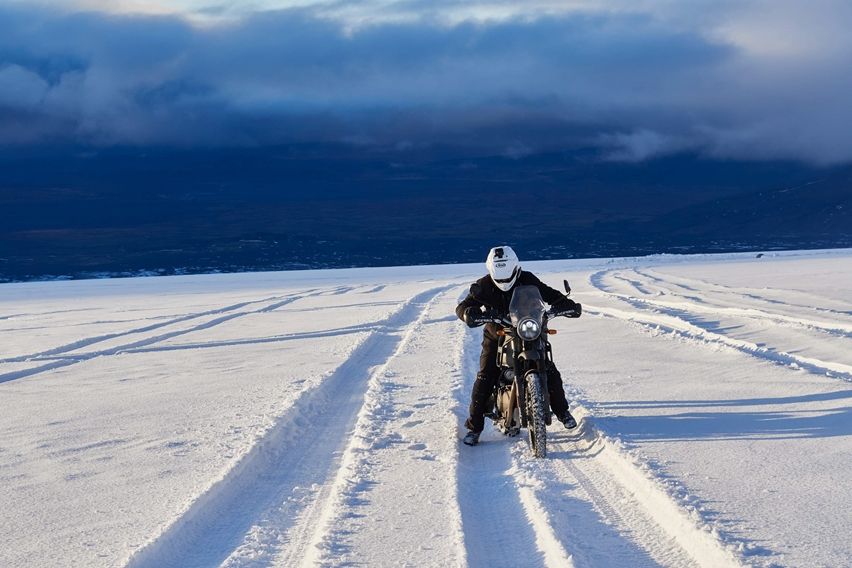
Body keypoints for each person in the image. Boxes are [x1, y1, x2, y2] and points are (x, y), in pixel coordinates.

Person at [455, 246, 580, 446]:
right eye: (500, 278)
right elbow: (464, 306)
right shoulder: (485, 284)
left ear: (515, 268)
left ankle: (562, 411)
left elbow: (551, 294)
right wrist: (468, 313)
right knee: (486, 375)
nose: (504, 282)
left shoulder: (528, 279)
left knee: (548, 368)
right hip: (497, 332)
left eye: (508, 277)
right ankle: (474, 427)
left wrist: (568, 305)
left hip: (529, 329)